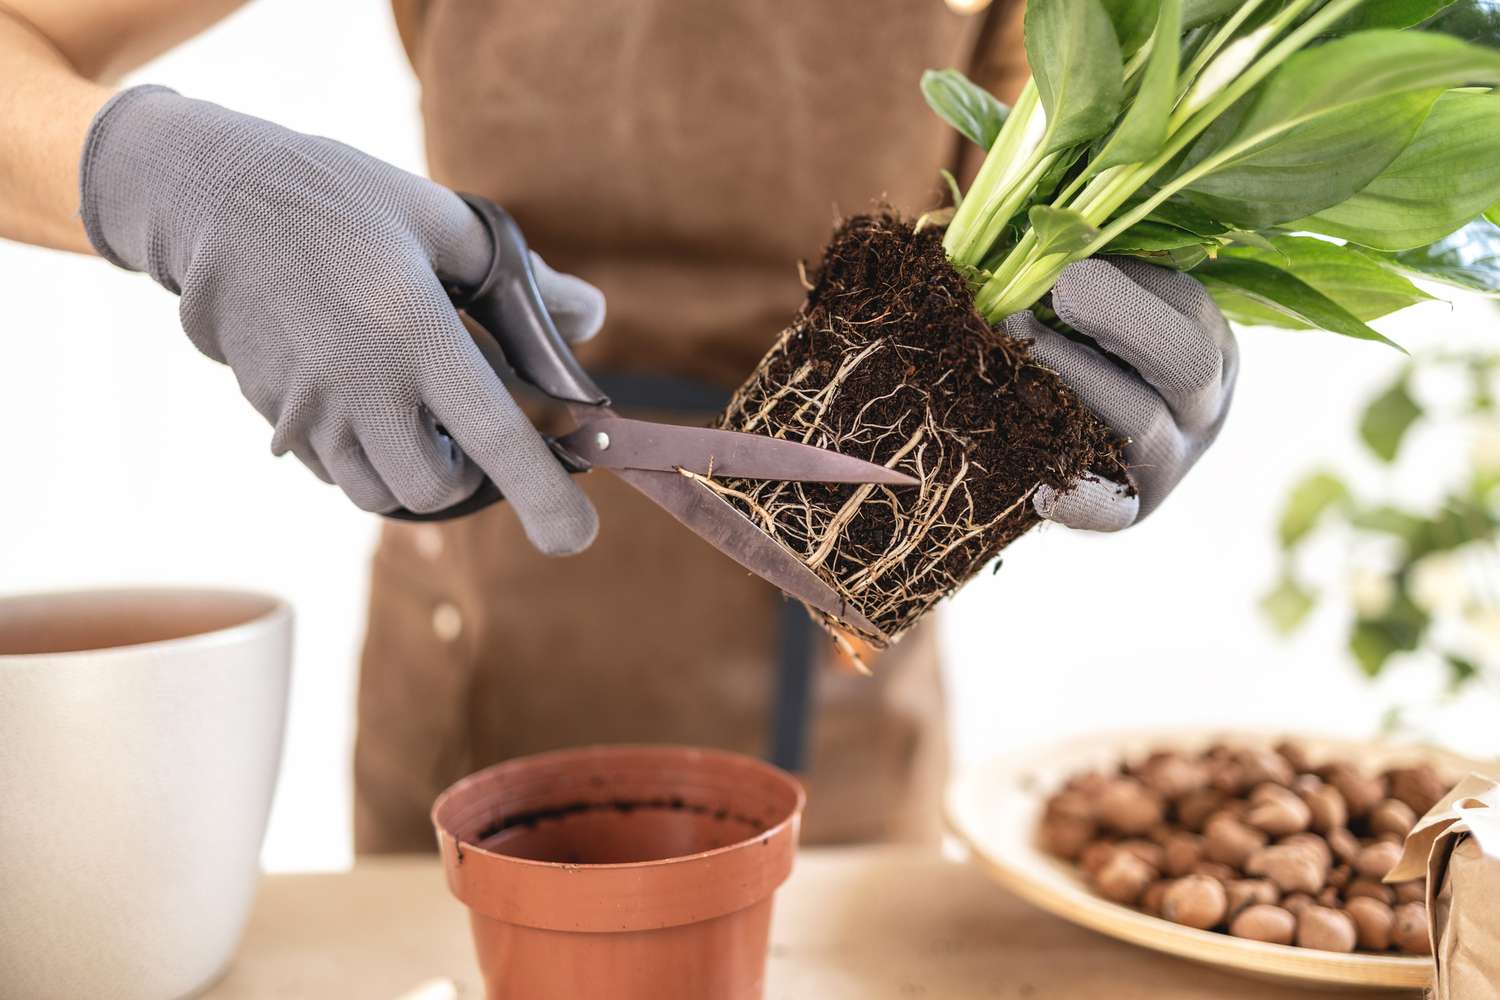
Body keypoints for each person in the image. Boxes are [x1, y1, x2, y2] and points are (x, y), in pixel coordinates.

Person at [0, 0, 1236, 850]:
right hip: (479, 648)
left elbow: (1066, 176)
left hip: (845, 701)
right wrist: (161, 175)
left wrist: (1136, 337)